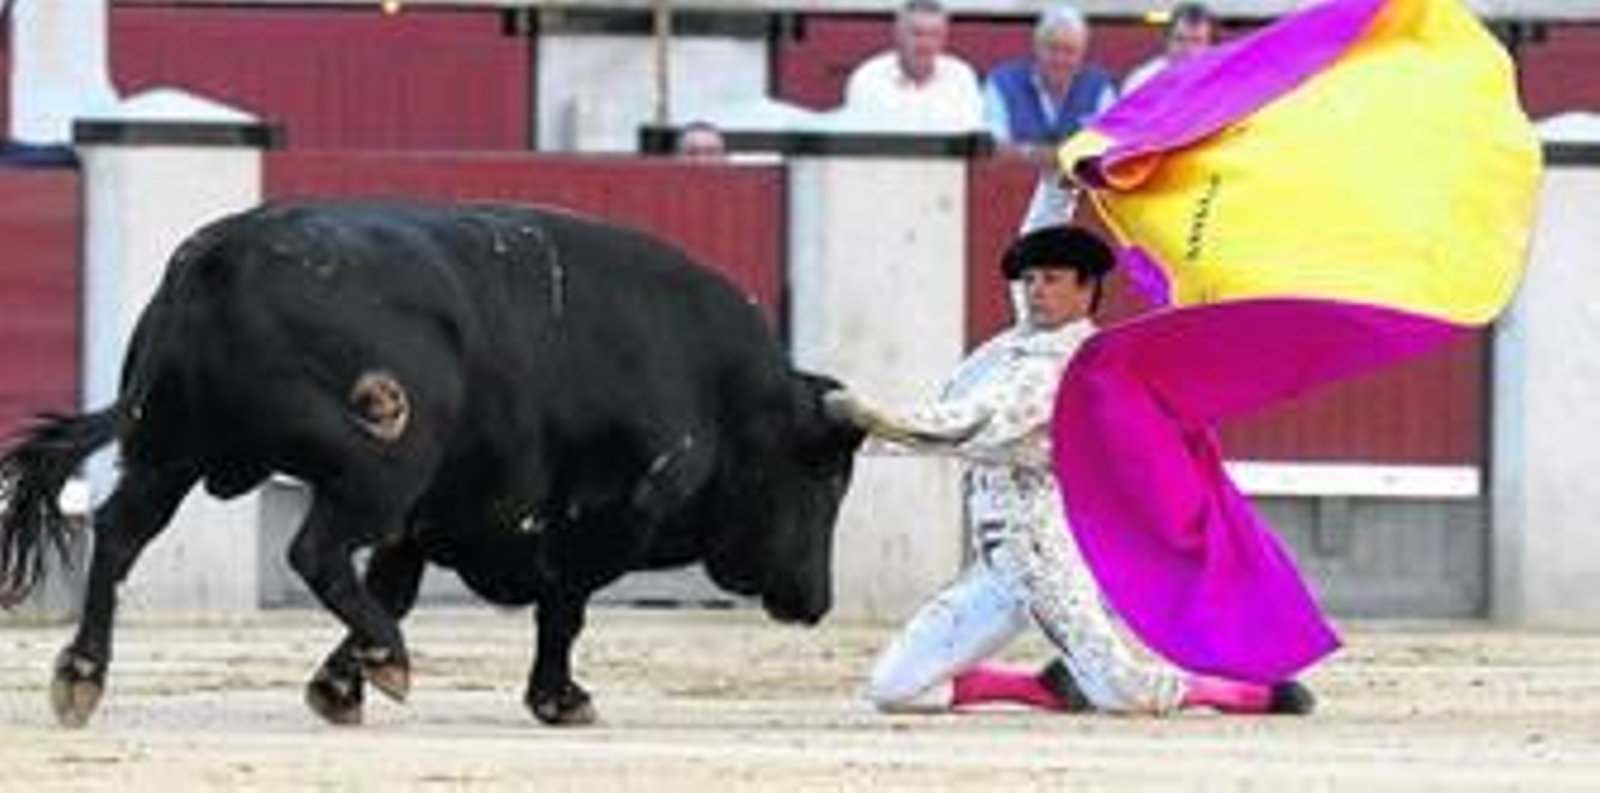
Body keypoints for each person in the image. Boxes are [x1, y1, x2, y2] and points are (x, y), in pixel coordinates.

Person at [851, 225, 1315, 716]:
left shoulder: (1056, 368)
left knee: (1121, 693)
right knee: (895, 689)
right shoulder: (1026, 339)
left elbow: (968, 424)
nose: (1034, 292)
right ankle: (1037, 689)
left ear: (1087, 287)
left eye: (1051, 280)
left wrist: (861, 426)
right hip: (997, 564)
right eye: (1029, 280)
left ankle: (1249, 693)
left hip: (1042, 552)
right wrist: (1057, 185)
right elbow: (1035, 237)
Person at [982, 6, 1118, 232]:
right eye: (1052, 48)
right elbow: (994, 148)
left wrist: (1033, 153)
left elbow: (1108, 151)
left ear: (1082, 54)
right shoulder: (1001, 82)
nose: (1060, 59)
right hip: (1010, 201)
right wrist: (1059, 156)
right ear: (1036, 48)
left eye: (1069, 51)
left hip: (1081, 211)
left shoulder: (1100, 86)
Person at [841, 0, 984, 132]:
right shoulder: (868, 78)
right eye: (917, 34)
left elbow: (971, 137)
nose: (925, 44)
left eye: (934, 35)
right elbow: (858, 140)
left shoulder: (961, 77)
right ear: (898, 35)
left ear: (944, 39)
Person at [1123, 3, 1219, 95]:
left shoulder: (1220, 83)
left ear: (1211, 47)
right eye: (1179, 39)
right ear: (1167, 40)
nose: (1187, 48)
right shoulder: (1143, 81)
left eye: (1196, 41)